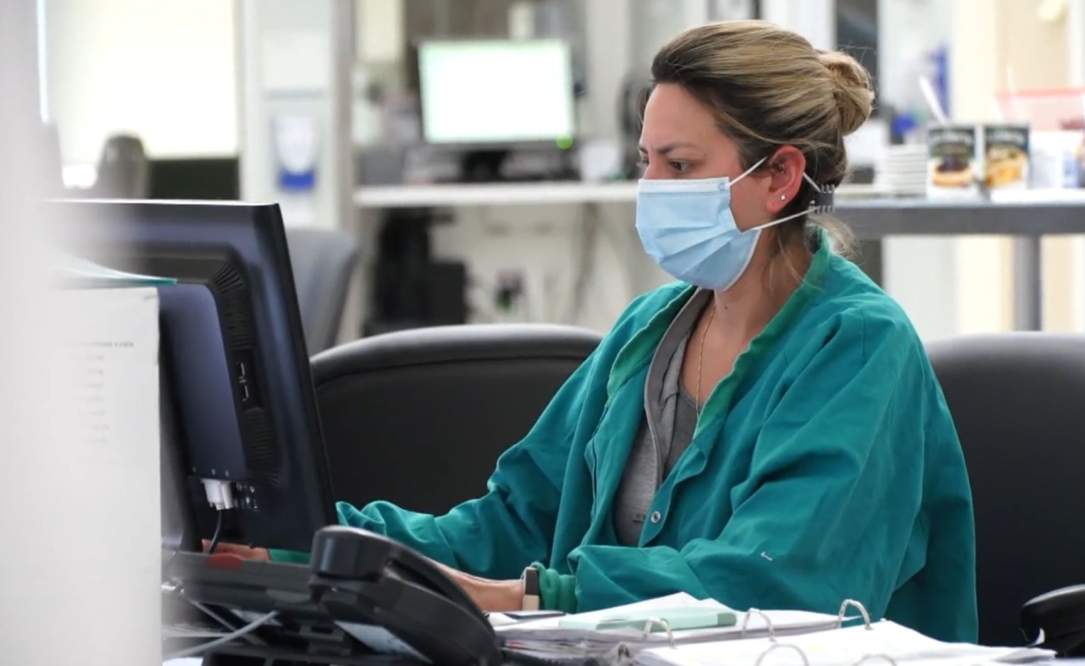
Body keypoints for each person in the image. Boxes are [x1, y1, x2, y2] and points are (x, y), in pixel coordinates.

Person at [263, 20, 977, 642]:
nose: (654, 187)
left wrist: (540, 599)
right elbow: (513, 524)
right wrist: (310, 539)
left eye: (682, 165)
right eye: (647, 162)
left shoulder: (855, 347)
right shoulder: (651, 330)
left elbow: (776, 586)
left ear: (781, 176)